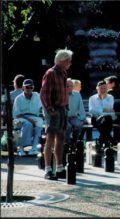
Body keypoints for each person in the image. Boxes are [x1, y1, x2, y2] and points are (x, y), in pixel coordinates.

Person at [40, 48, 73, 180]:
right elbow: (44, 94)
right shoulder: (51, 73)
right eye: (68, 61)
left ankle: (59, 167)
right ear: (61, 60)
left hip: (62, 109)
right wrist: (49, 109)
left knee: (61, 139)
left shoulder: (63, 72)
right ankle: (48, 169)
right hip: (53, 109)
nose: (70, 63)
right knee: (50, 138)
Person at [13, 79, 43, 156]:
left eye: (31, 87)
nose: (29, 89)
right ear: (23, 87)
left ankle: (34, 148)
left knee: (40, 124)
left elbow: (42, 108)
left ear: (33, 88)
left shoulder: (37, 96)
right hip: (20, 117)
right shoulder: (18, 98)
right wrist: (29, 119)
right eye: (27, 87)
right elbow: (17, 114)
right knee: (28, 124)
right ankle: (21, 148)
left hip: (34, 117)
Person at [89, 80, 116, 146]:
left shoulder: (110, 97)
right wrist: (103, 112)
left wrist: (103, 98)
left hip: (107, 118)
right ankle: (111, 141)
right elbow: (91, 110)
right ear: (97, 88)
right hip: (96, 118)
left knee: (106, 120)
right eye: (101, 88)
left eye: (105, 88)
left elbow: (110, 109)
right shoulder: (92, 98)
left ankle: (102, 142)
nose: (103, 90)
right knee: (105, 122)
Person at [105, 75, 120, 142]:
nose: (106, 85)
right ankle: (116, 141)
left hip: (114, 119)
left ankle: (112, 142)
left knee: (102, 122)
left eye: (107, 83)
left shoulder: (109, 92)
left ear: (113, 83)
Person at [65, 79, 86, 144]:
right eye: (67, 86)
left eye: (71, 86)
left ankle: (74, 142)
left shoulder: (77, 94)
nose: (69, 88)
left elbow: (81, 108)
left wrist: (82, 118)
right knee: (68, 126)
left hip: (73, 117)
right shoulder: (60, 95)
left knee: (79, 124)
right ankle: (67, 142)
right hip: (63, 118)